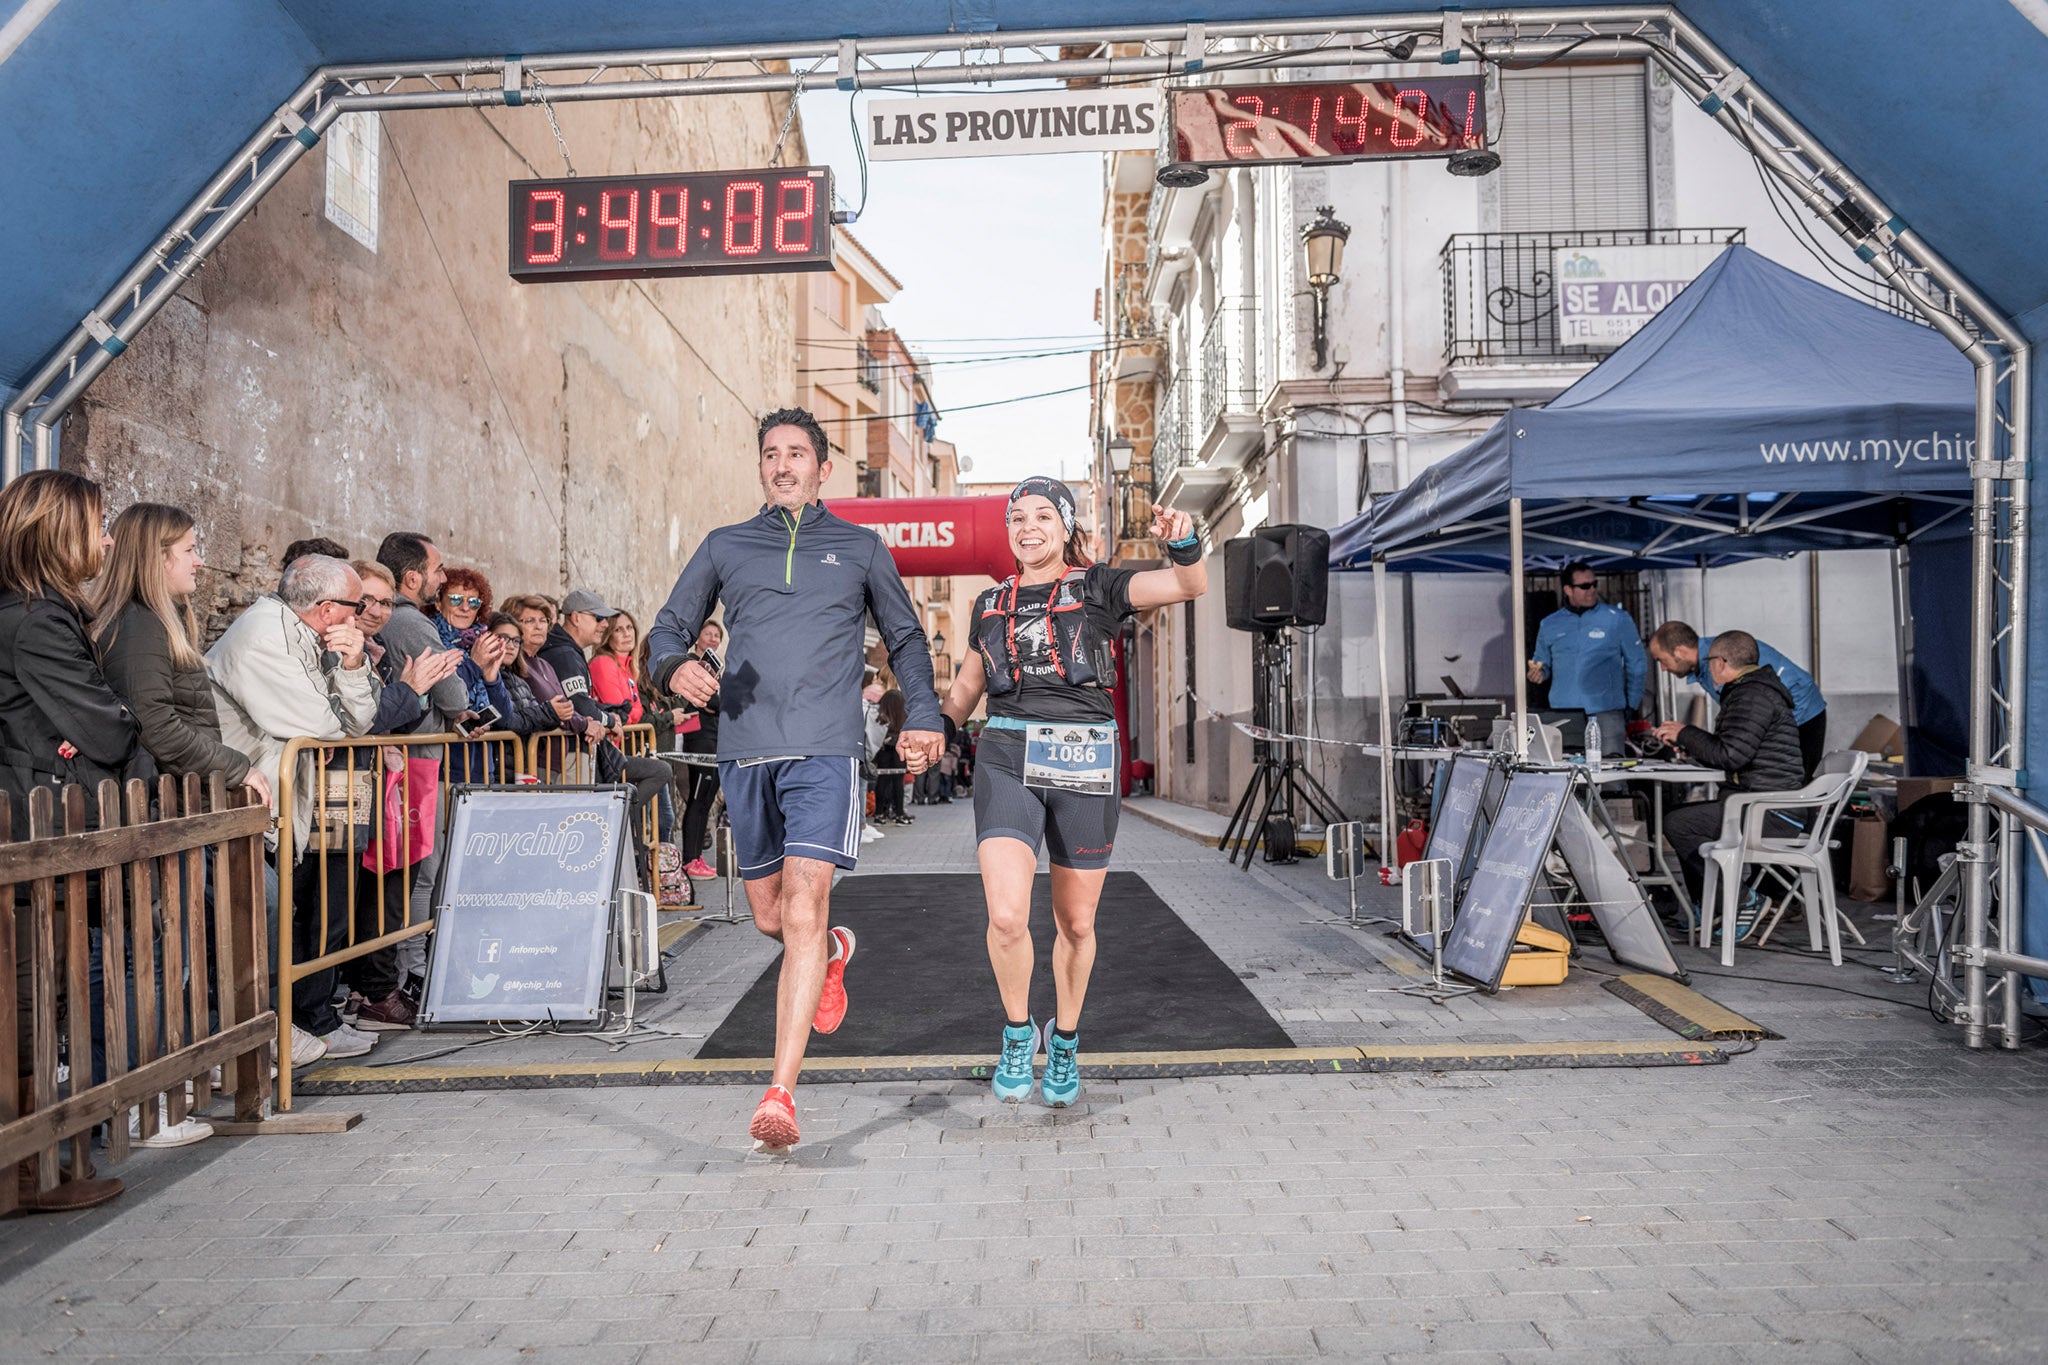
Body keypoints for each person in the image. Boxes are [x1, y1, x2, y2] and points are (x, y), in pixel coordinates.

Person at [647, 406, 944, 1152]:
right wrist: (671, 665)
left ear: (822, 468)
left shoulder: (859, 548)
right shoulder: (725, 546)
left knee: (805, 907)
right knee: (775, 921)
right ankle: (835, 955)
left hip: (825, 751)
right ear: (760, 467)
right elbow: (665, 628)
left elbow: (906, 636)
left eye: (798, 454)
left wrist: (925, 716)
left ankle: (780, 1091)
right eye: (772, 454)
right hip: (746, 753)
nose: (784, 465)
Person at [939, 478, 1205, 1108]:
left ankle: (1063, 1038)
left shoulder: (1100, 587)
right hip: (1006, 756)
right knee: (1006, 915)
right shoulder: (988, 605)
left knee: (1075, 922)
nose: (1027, 527)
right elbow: (967, 688)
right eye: (1017, 518)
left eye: (1041, 516)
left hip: (1085, 761)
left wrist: (1186, 542)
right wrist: (936, 729)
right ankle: (1014, 1031)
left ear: (1064, 526)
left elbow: (1187, 586)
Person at [93, 504, 271, 1148]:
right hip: (160, 809)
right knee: (159, 960)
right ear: (156, 555)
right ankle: (143, 1105)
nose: (201, 559)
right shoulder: (139, 626)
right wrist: (236, 767)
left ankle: (172, 1086)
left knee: (182, 953)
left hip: (181, 807)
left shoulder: (161, 621)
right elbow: (156, 724)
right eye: (191, 548)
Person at [0, 470, 137, 1212]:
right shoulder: (37, 618)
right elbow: (107, 726)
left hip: (37, 821)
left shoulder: (40, 612)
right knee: (30, 997)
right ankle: (24, 1170)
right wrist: (113, 726)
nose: (108, 539)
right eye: (96, 524)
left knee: (38, 993)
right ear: (56, 531)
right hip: (34, 827)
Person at [207, 554, 382, 1058]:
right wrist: (351, 673)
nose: (362, 614)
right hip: (244, 805)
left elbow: (359, 719)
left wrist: (352, 665)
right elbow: (325, 725)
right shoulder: (265, 636)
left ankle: (269, 1033)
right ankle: (253, 1040)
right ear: (328, 609)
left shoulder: (312, 637)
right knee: (256, 924)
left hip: (280, 807)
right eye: (357, 604)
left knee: (280, 917)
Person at [345, 561, 461, 1032]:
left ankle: (374, 991)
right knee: (371, 892)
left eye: (385, 603)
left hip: (386, 780)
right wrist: (409, 694)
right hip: (353, 787)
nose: (375, 611)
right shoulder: (359, 648)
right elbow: (355, 719)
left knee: (393, 885)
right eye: (366, 600)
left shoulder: (371, 649)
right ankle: (368, 994)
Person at [1651, 630, 1810, 921]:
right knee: (1680, 818)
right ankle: (1713, 908)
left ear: (1721, 662)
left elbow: (1730, 755)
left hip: (1771, 811)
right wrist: (1688, 745)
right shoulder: (1752, 691)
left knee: (1678, 824)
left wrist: (1685, 732)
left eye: (1710, 662)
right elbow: (1732, 750)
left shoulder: (1751, 696)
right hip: (1761, 802)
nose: (1707, 668)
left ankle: (1741, 901)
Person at [541, 588, 674, 850]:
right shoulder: (566, 654)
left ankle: (618, 824)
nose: (604, 624)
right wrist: (608, 720)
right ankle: (616, 822)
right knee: (574, 829)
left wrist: (605, 716)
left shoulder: (571, 651)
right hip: (568, 751)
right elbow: (579, 703)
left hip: (580, 748)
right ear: (576, 617)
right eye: (599, 618)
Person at [1649, 620, 1830, 779]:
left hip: (1805, 714)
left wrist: (1774, 733)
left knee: (1798, 789)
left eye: (1661, 660)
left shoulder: (1729, 653)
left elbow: (1786, 690)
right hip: (1786, 715)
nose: (1663, 668)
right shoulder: (1704, 667)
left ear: (1680, 651)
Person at [1527, 562, 1647, 759]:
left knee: (1612, 779)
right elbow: (1542, 662)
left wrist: (1631, 705)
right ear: (1567, 590)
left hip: (1607, 713)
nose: (1592, 590)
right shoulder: (1549, 624)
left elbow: (1638, 664)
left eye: (1594, 584)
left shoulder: (1618, 619)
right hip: (1563, 714)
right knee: (1565, 777)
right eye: (1584, 586)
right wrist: (1539, 673)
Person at [643, 620, 724, 881]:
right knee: (697, 800)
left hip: (716, 739)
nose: (712, 638)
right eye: (707, 634)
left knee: (707, 799)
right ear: (697, 638)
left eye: (716, 635)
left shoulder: (717, 666)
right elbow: (711, 701)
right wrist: (721, 700)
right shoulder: (689, 663)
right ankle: (690, 858)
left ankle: (696, 856)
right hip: (698, 739)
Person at [485, 612, 559, 738]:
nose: (511, 646)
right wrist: (548, 712)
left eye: (516, 640)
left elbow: (546, 723)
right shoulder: (482, 679)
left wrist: (552, 714)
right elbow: (507, 722)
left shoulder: (521, 682)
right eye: (503, 638)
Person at [872, 689, 909, 824]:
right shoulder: (903, 718)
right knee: (898, 783)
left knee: (882, 782)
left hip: (883, 752)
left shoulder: (879, 718)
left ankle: (880, 812)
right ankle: (899, 812)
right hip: (898, 752)